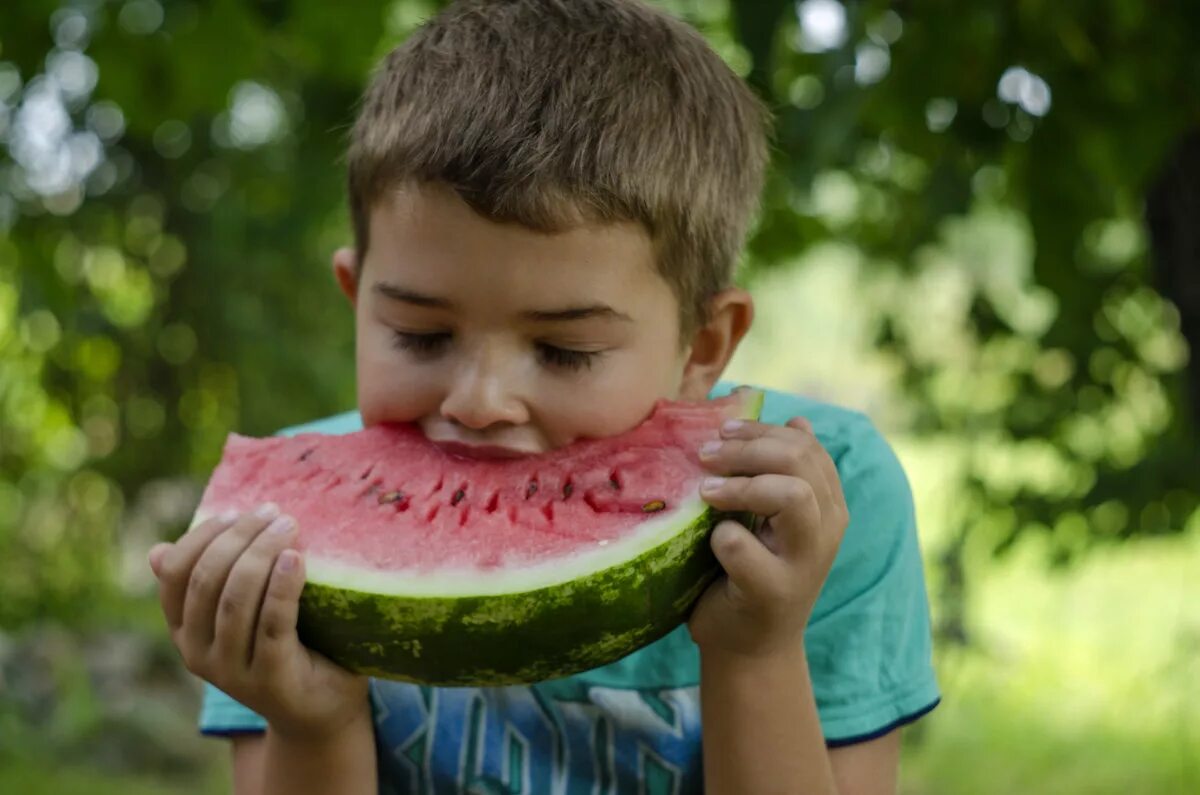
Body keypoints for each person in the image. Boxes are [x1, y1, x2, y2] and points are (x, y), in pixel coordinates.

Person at [147, 1, 939, 792]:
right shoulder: (284, 533)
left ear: (702, 346)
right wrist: (310, 721)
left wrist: (756, 650)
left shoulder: (817, 504)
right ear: (358, 299)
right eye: (422, 336)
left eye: (565, 351)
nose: (482, 400)